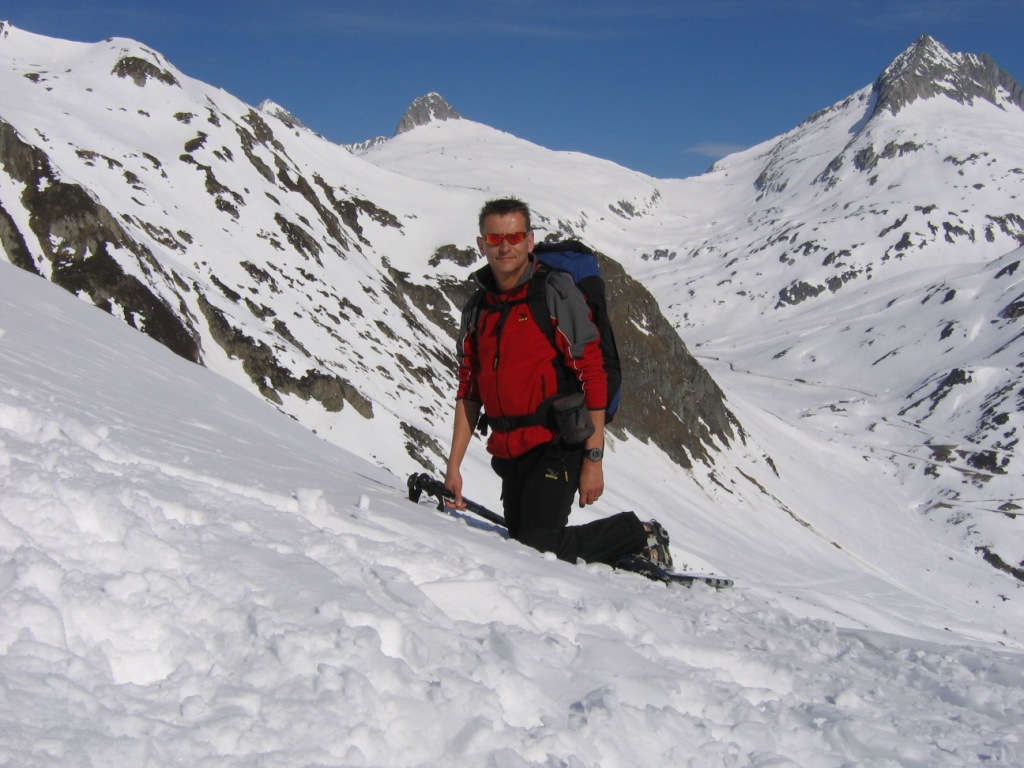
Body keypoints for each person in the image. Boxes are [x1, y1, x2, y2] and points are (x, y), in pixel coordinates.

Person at [444, 197, 673, 567]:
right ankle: (619, 541)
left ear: (530, 241)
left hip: (556, 442)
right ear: (481, 244)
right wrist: (453, 465)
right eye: (495, 237)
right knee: (524, 539)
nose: (505, 246)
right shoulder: (477, 308)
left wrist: (593, 458)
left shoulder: (553, 292)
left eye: (515, 236)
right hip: (509, 449)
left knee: (537, 547)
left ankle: (640, 534)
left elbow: (592, 375)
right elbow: (469, 389)